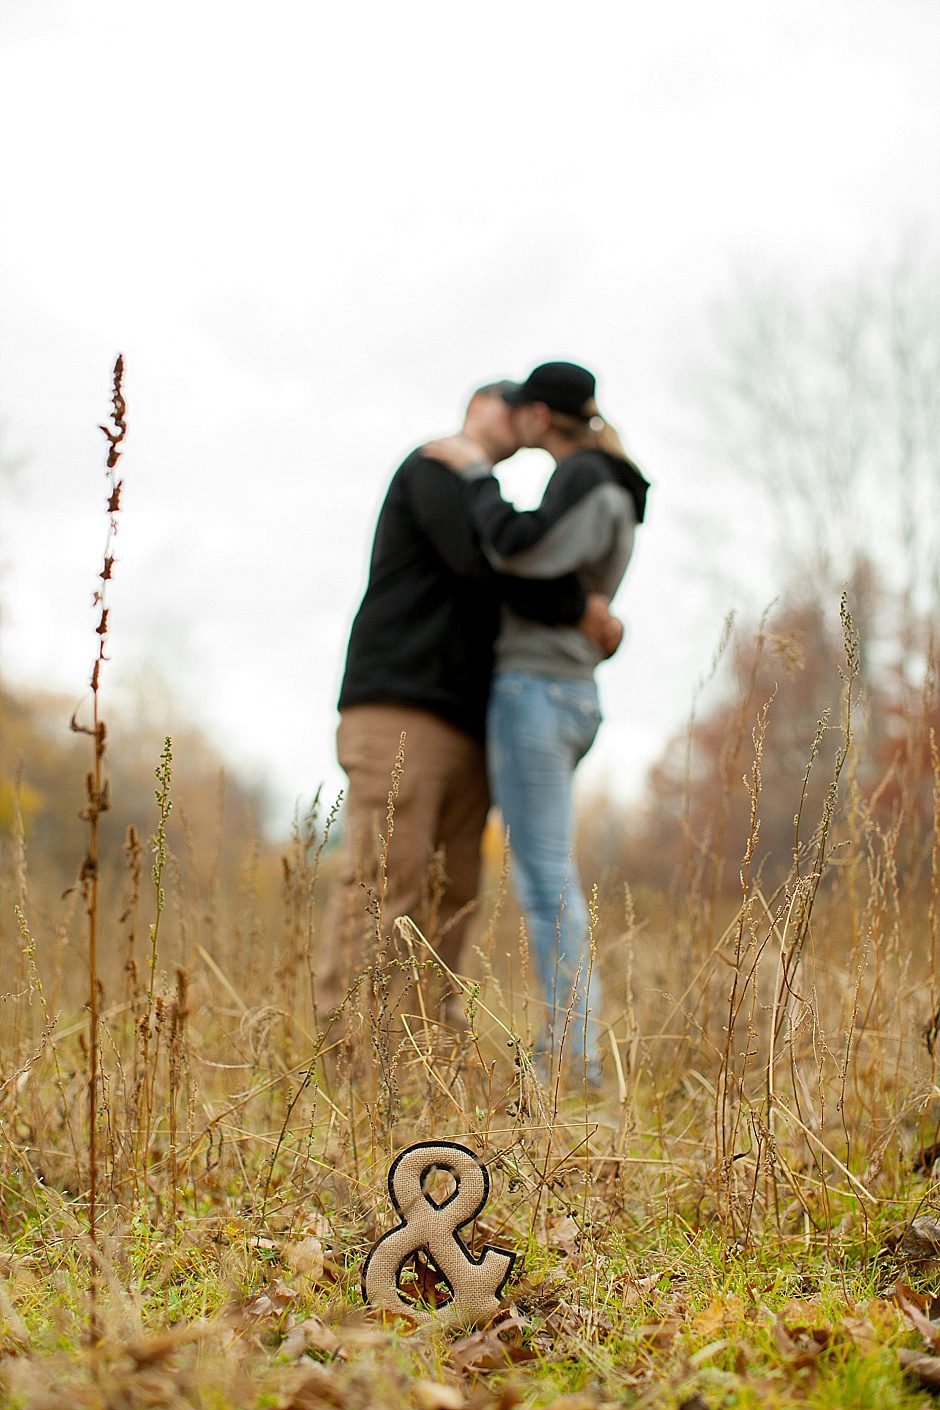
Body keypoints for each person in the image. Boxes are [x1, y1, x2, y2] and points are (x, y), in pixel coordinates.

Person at [318, 381, 623, 1029]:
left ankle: (424, 1049)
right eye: (509, 404)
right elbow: (481, 568)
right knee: (386, 883)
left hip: (468, 721)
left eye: (529, 410)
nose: (522, 419)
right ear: (477, 406)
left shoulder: (489, 498)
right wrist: (581, 611)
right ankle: (352, 1056)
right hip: (401, 707)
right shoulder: (438, 464)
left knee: (453, 894)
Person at [424, 362, 649, 1081]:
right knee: (548, 870)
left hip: (538, 689)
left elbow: (517, 551)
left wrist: (475, 480)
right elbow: (561, 578)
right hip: (568, 690)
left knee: (544, 875)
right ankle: (571, 1049)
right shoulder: (612, 478)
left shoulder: (585, 476)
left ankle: (573, 1058)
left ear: (541, 419)